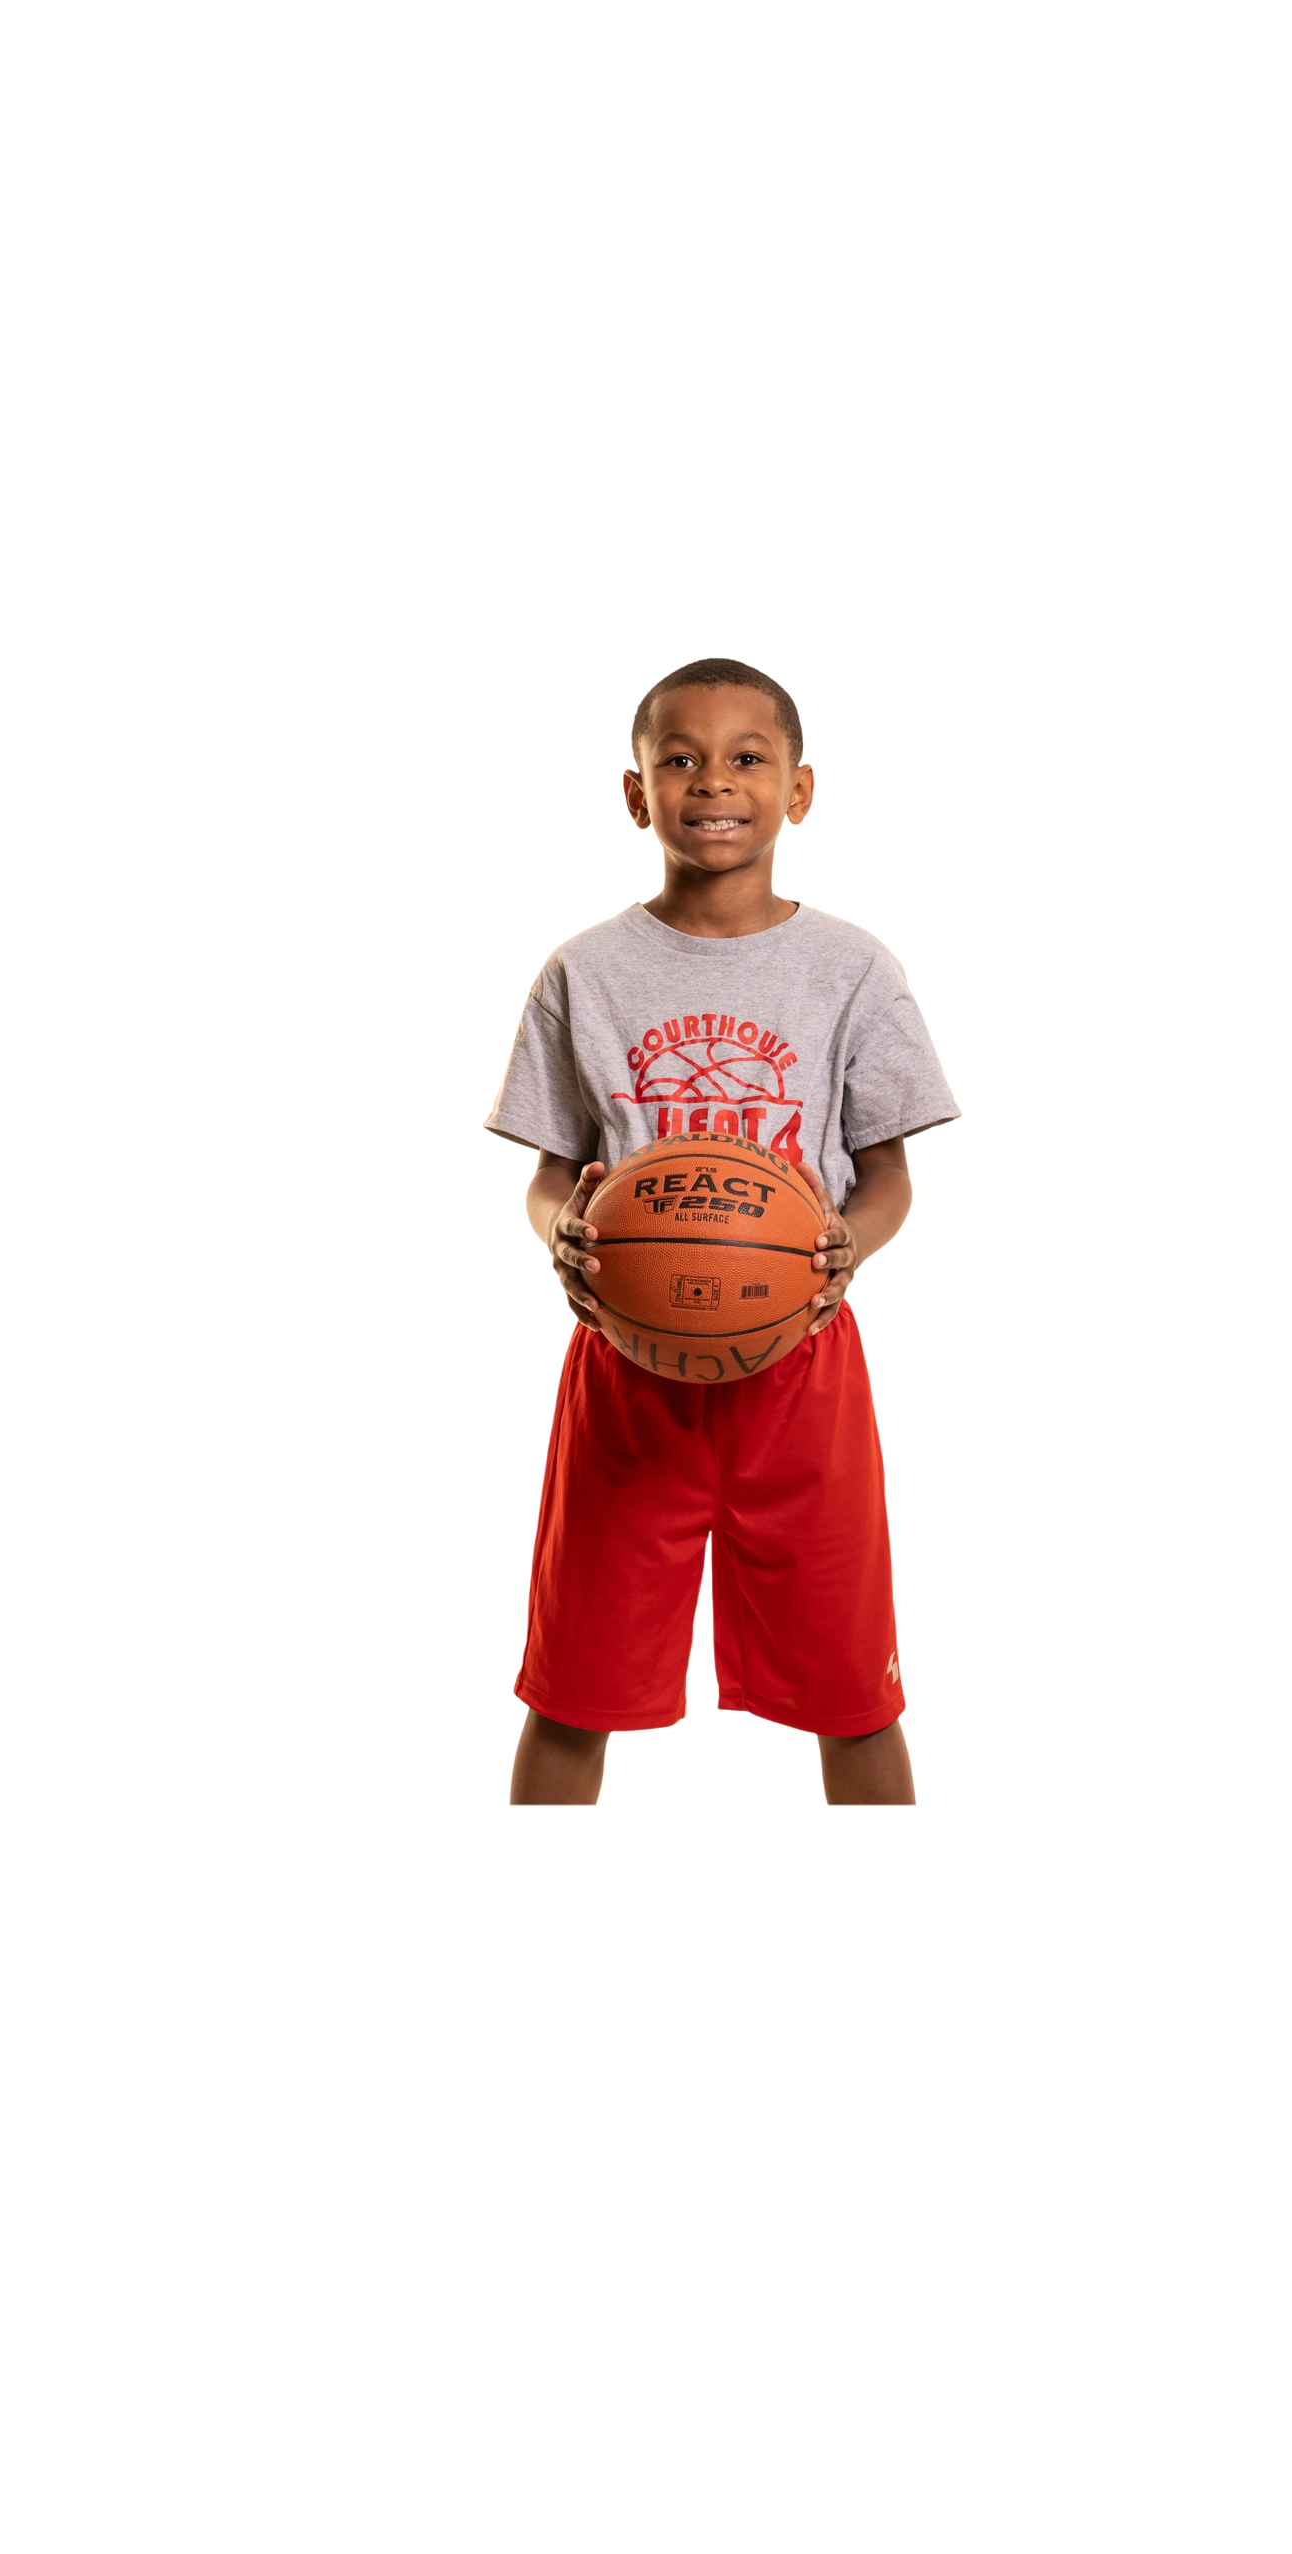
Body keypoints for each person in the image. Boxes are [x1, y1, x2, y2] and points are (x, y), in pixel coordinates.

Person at [485, 657, 960, 1807]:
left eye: (747, 756)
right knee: (572, 1693)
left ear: (798, 789)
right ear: (636, 793)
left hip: (801, 1366)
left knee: (855, 1696)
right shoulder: (584, 973)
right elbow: (549, 1177)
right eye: (679, 758)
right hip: (625, 1372)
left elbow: (888, 1178)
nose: (713, 780)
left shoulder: (852, 970)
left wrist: (849, 1242)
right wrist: (561, 1233)